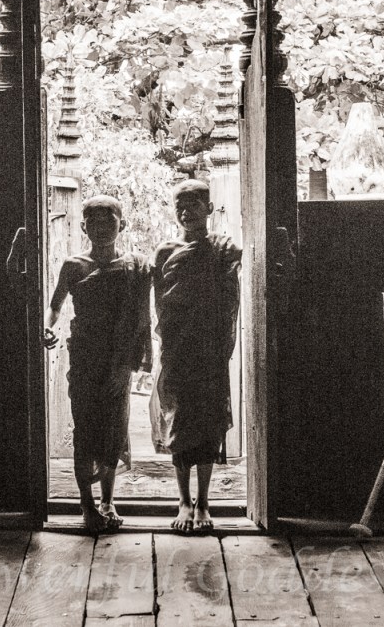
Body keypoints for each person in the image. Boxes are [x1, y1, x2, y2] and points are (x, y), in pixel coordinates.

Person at [43, 195, 151, 535]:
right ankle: (86, 504)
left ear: (123, 223)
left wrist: (136, 360)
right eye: (94, 221)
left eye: (110, 220)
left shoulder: (136, 266)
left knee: (115, 429)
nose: (102, 228)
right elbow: (55, 307)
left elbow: (142, 318)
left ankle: (108, 501)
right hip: (86, 358)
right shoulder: (74, 265)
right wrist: (47, 328)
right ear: (83, 226)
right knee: (85, 429)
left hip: (118, 360)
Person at [151, 180, 241, 533]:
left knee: (209, 423)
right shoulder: (164, 252)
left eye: (193, 205)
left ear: (209, 207)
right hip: (178, 349)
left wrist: (218, 340)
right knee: (178, 422)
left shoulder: (221, 248)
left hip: (209, 348)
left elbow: (230, 297)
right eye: (179, 206)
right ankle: (183, 501)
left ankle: (204, 502)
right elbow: (161, 305)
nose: (186, 212)